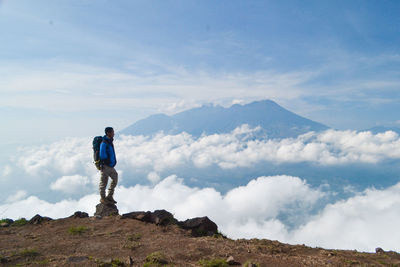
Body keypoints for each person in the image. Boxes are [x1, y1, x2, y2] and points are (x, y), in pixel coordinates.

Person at [99, 127, 118, 204]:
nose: (114, 133)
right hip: (105, 166)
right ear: (108, 133)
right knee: (104, 182)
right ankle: (103, 198)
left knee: (115, 178)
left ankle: (109, 196)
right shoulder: (104, 142)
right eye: (112, 132)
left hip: (110, 166)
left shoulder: (109, 142)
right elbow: (102, 155)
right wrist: (107, 161)